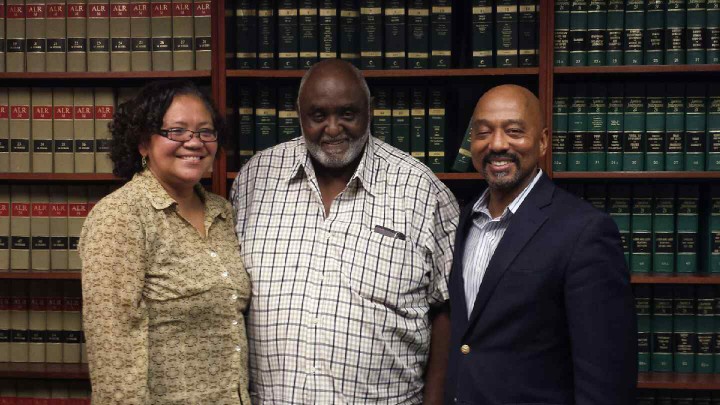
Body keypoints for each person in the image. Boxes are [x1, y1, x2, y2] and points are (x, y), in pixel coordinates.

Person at [231, 59, 459, 404]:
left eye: (347, 114)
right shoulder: (254, 180)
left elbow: (447, 309)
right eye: (318, 116)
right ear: (299, 114)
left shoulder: (422, 191)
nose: (333, 129)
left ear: (370, 112)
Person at [444, 85, 637, 405]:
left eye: (514, 131)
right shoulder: (463, 220)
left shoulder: (584, 231)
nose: (497, 144)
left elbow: (607, 377)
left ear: (543, 141)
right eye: (483, 132)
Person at [80, 80, 251, 404]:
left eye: (205, 131)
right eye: (177, 131)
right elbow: (112, 352)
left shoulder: (222, 212)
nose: (194, 142)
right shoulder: (121, 217)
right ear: (143, 143)